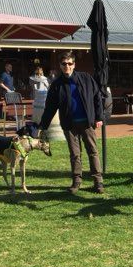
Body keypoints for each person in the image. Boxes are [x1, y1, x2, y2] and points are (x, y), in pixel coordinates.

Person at [40, 51, 105, 194]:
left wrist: (99, 117)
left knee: (93, 152)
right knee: (75, 154)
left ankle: (98, 182)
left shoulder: (86, 78)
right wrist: (42, 126)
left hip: (87, 123)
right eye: (64, 64)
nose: (67, 66)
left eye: (70, 63)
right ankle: (76, 182)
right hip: (69, 125)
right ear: (60, 65)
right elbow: (50, 107)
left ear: (74, 64)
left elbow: (97, 97)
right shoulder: (57, 85)